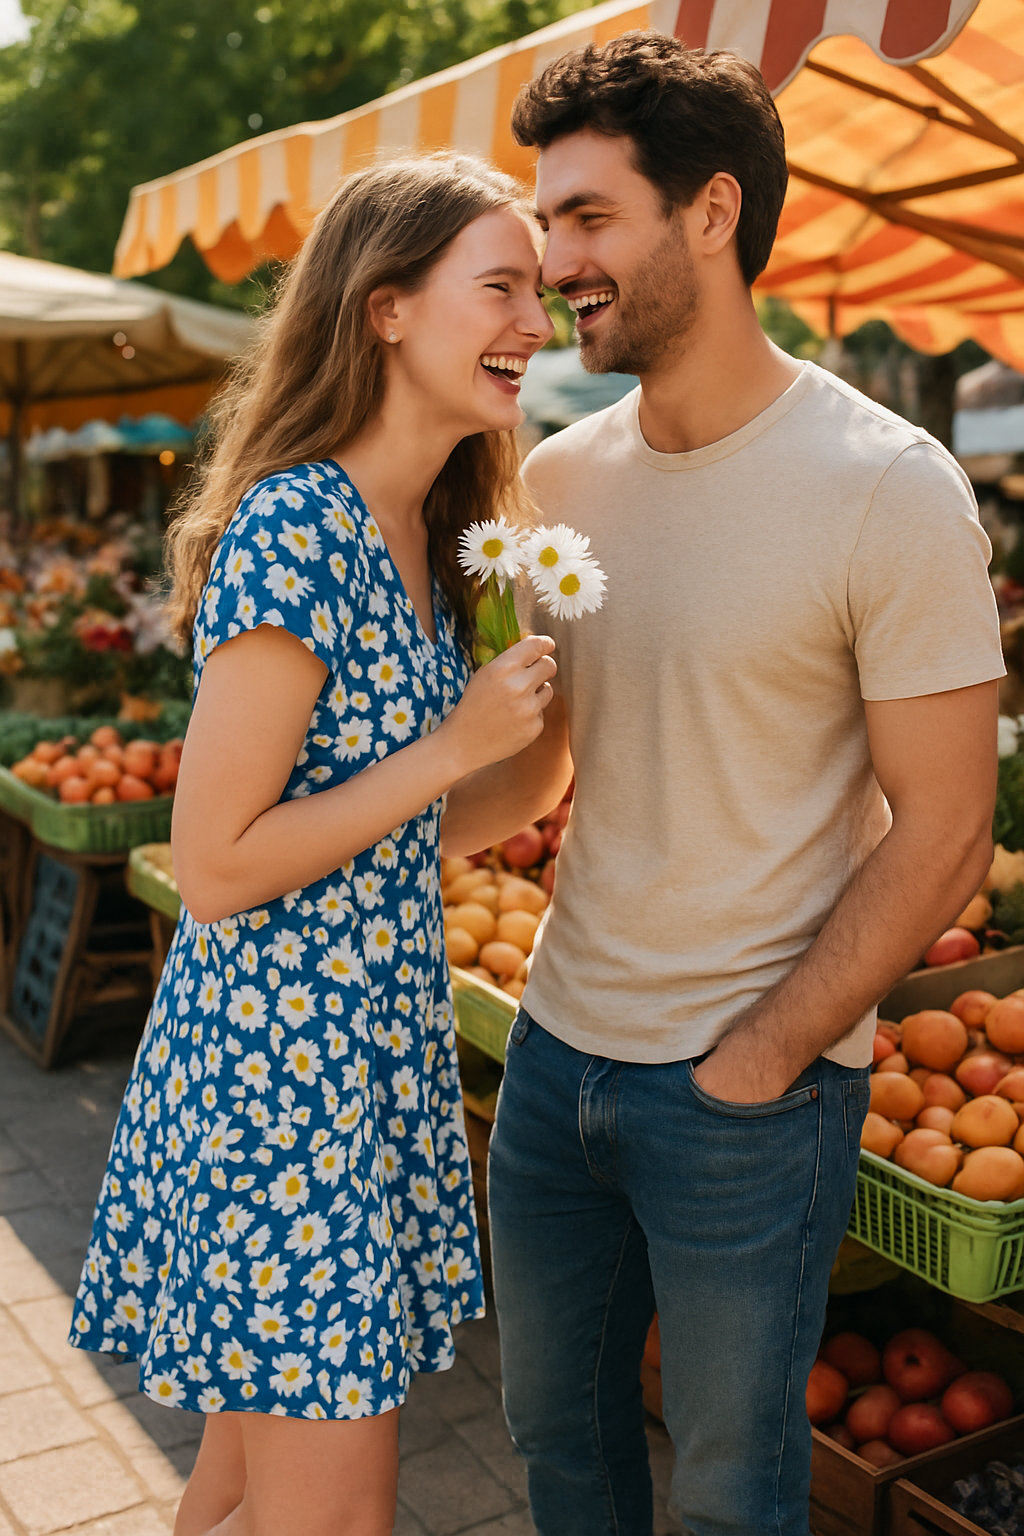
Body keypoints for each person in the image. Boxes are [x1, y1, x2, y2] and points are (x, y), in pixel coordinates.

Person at [440, 34, 1005, 1536]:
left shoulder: (887, 485)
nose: (553, 261)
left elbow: (951, 831)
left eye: (588, 218)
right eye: (547, 221)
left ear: (710, 213)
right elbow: (546, 758)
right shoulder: (558, 481)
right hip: (557, 1051)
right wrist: (379, 836)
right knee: (555, 1434)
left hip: (748, 1094)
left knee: (733, 1494)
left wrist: (763, 1058)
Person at [68, 154, 556, 1536]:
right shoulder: (299, 522)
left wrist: (546, 728)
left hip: (357, 1072)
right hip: (279, 1090)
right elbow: (211, 863)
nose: (536, 319)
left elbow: (423, 827)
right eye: (500, 285)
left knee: (236, 1502)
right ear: (387, 308)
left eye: (538, 289)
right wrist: (452, 743)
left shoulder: (429, 530)